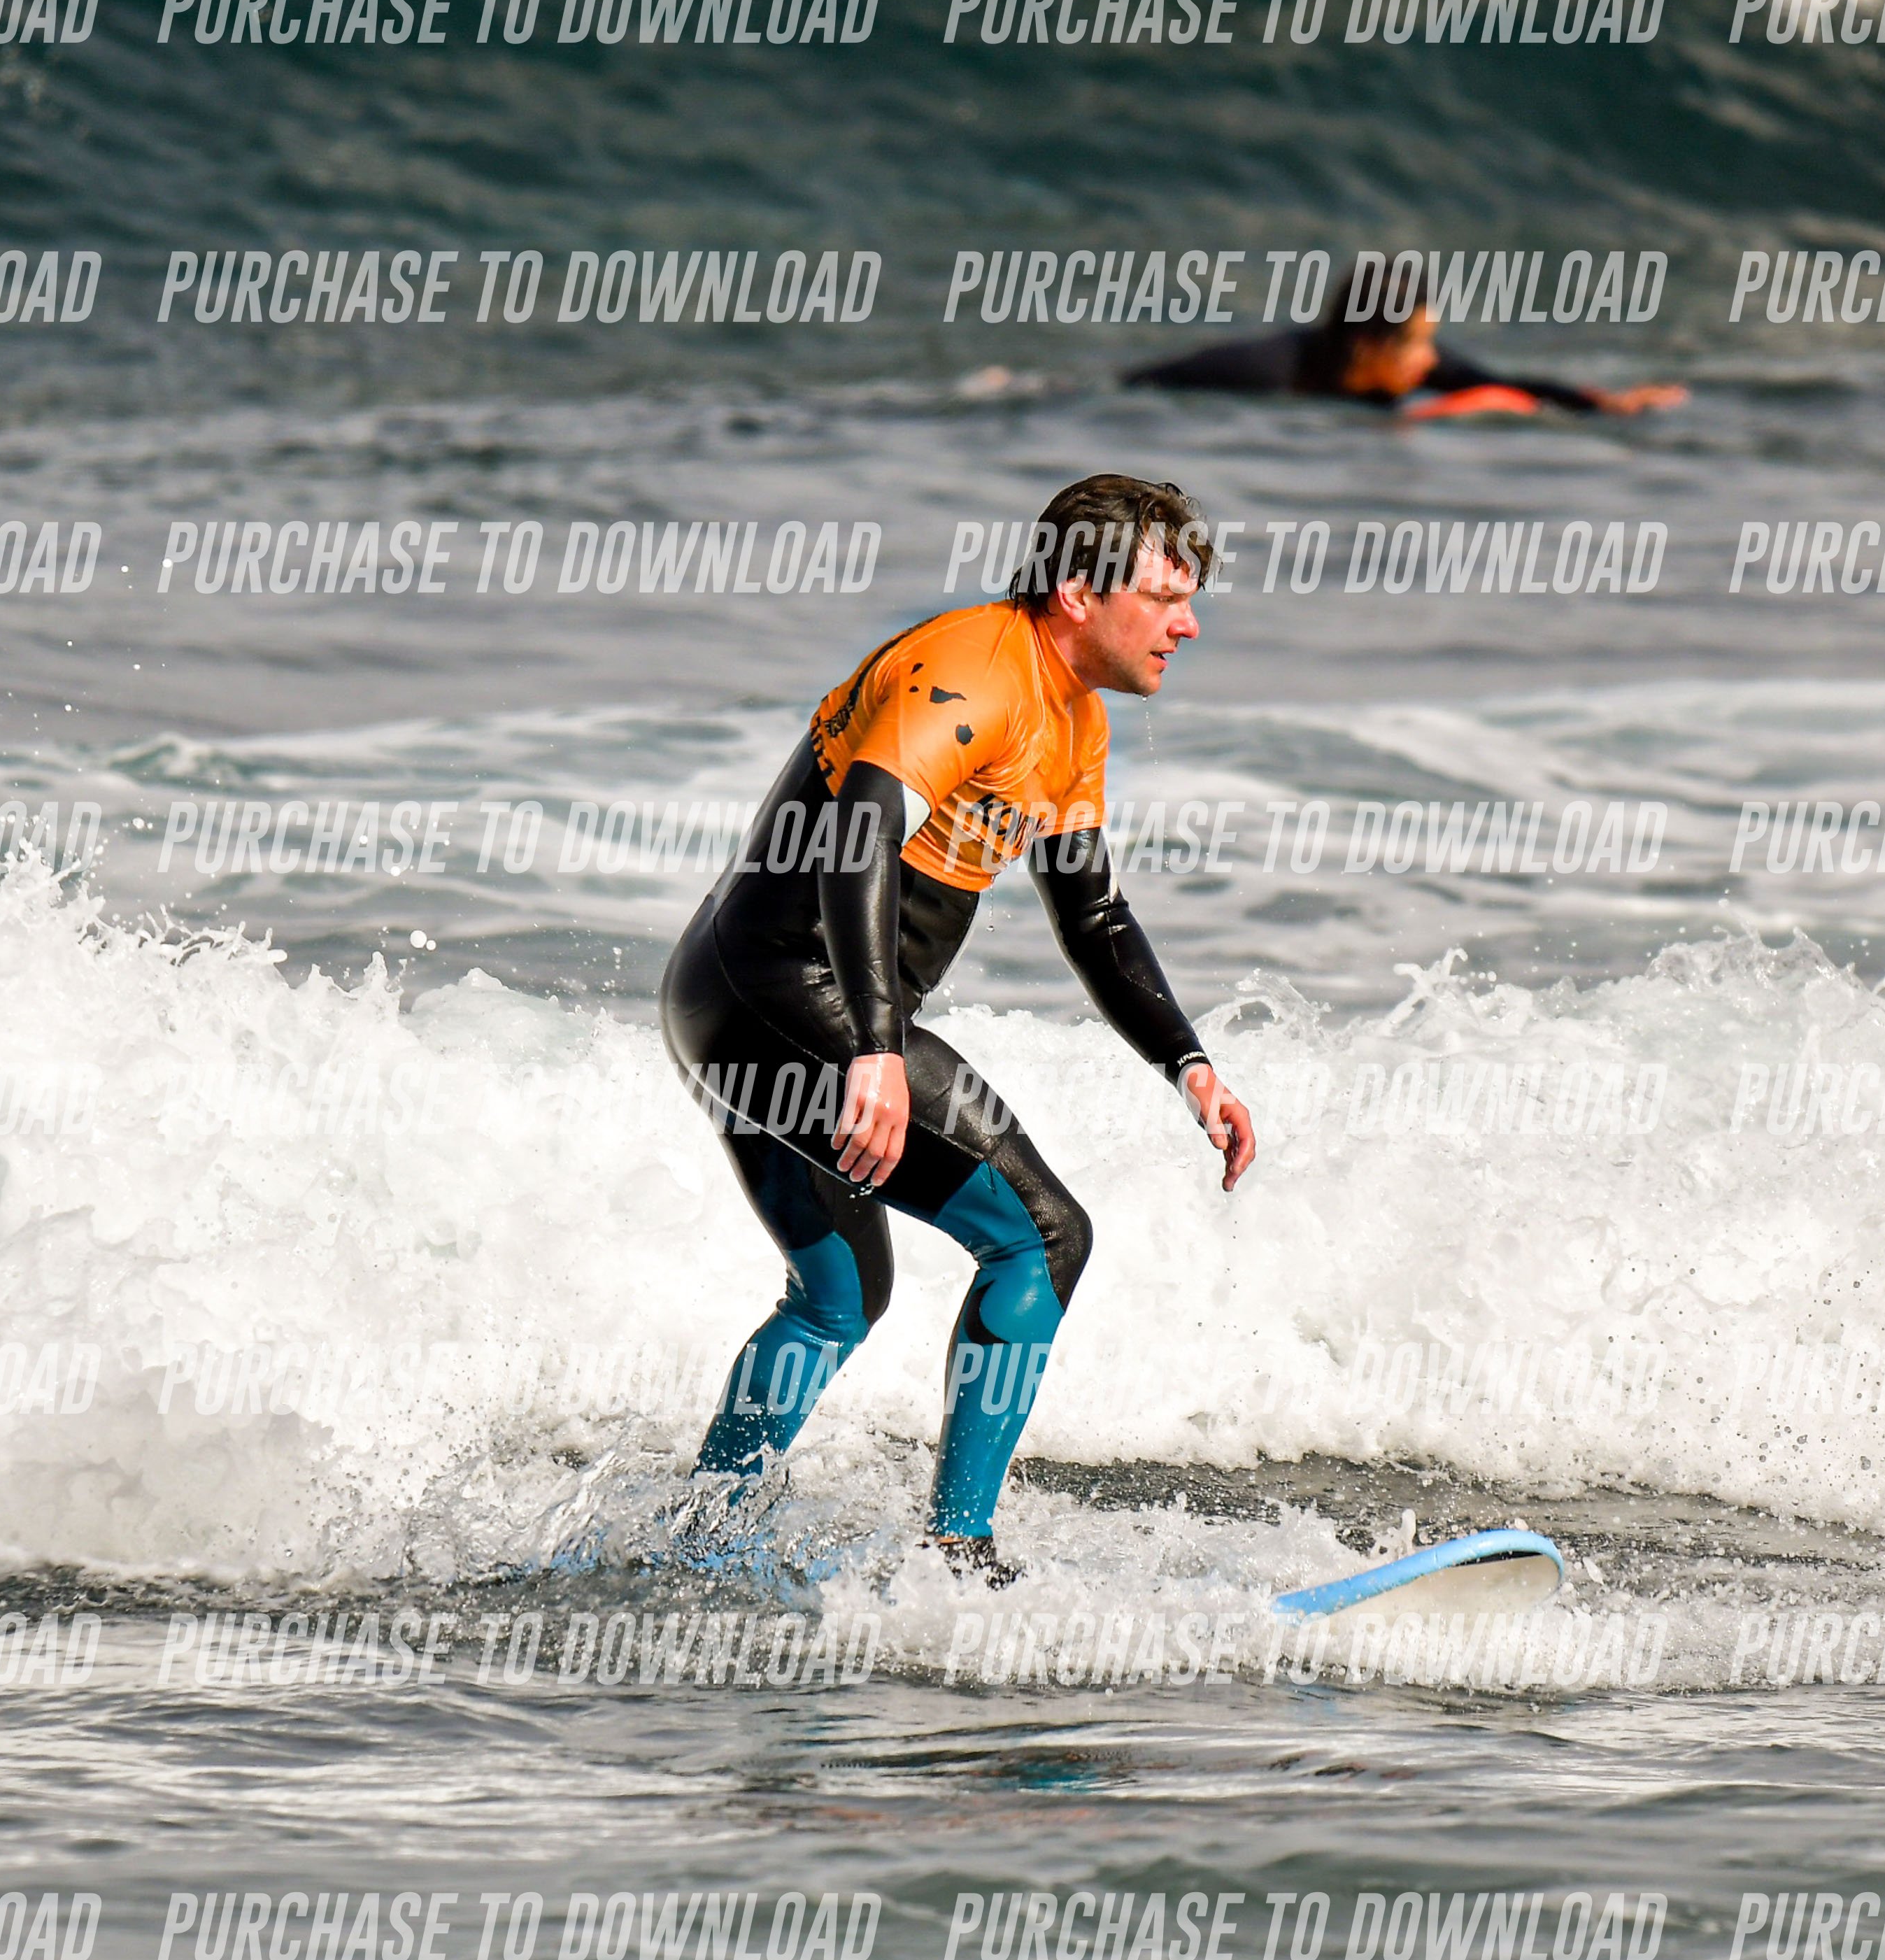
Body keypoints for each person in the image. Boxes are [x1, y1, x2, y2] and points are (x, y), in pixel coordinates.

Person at [661, 474, 1260, 1583]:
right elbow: (858, 835)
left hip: (734, 1003)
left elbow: (1093, 913)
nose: (1187, 624)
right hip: (787, 996)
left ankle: (695, 1546)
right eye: (1166, 596)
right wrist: (875, 1050)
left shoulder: (1072, 716)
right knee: (1042, 1237)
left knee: (839, 1298)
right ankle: (960, 1555)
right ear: (1079, 593)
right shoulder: (975, 667)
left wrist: (1190, 1066)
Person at [1125, 288, 1684, 418]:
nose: (1431, 358)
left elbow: (1508, 384)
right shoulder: (1266, 374)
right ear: (1370, 346)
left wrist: (1606, 404)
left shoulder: (1413, 368)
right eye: (1418, 342)